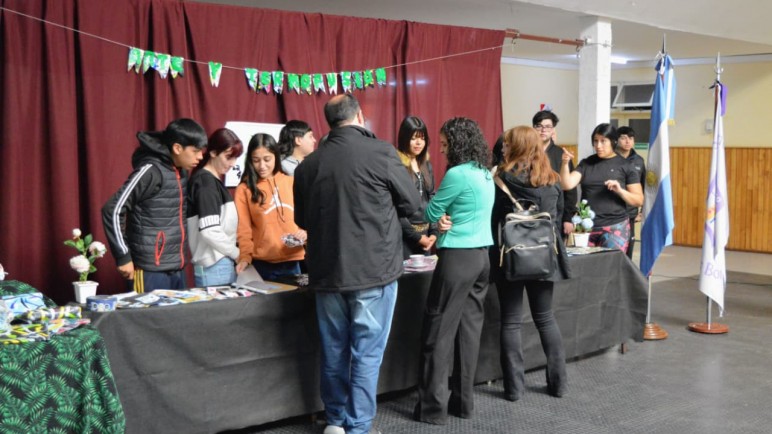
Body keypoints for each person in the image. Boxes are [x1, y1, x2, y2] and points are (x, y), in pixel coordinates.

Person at [293, 94, 420, 434]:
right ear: (360, 116)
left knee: (334, 351)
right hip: (373, 272)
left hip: (327, 274)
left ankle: (335, 421)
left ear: (328, 122)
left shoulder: (308, 166)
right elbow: (414, 205)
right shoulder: (381, 153)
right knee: (366, 354)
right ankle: (358, 427)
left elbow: (303, 221)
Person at [414, 117, 494, 425]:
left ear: (457, 143)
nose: (442, 148)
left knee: (438, 333)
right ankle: (463, 403)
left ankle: (432, 410)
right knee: (469, 333)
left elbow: (430, 212)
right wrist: (446, 216)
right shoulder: (484, 173)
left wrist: (440, 217)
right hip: (481, 259)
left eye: (446, 143)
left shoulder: (457, 174)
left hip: (457, 259)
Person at [491, 126, 571, 401]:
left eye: (507, 143)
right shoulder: (552, 179)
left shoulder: (501, 178)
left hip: (511, 258)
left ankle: (514, 389)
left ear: (516, 147)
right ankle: (558, 384)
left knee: (511, 322)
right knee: (546, 319)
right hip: (545, 257)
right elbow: (557, 220)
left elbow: (494, 221)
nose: (502, 147)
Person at [102, 118, 207, 292]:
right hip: (149, 271)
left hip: (176, 267)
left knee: (178, 319)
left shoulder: (180, 171)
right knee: (146, 319)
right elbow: (112, 209)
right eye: (195, 151)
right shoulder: (151, 171)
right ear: (177, 148)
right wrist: (123, 256)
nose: (200, 156)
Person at [560, 123, 644, 251]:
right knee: (586, 268)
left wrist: (620, 191)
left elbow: (639, 200)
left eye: (603, 141)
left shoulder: (625, 165)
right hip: (586, 227)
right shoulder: (586, 163)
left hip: (615, 226)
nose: (598, 146)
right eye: (595, 141)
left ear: (613, 142)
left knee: (611, 268)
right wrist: (565, 163)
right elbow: (566, 184)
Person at [234, 133, 305, 280]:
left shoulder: (291, 181)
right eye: (256, 160)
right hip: (262, 264)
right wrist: (245, 257)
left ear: (276, 157)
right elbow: (243, 228)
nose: (262, 166)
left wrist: (305, 231)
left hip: (293, 260)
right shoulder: (244, 189)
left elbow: (308, 215)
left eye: (267, 159)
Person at [187, 128, 244, 286]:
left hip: (216, 264)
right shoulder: (206, 183)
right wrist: (236, 253)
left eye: (235, 158)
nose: (232, 164)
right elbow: (209, 230)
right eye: (228, 157)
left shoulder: (208, 181)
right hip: (215, 265)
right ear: (213, 153)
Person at [396, 116, 438, 259]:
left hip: (426, 235)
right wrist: (416, 237)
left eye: (422, 138)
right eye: (414, 138)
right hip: (404, 237)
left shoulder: (426, 165)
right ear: (404, 138)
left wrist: (434, 232)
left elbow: (432, 197)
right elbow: (396, 208)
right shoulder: (396, 166)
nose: (419, 142)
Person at [533, 110, 578, 239]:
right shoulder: (527, 153)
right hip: (531, 214)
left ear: (553, 130)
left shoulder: (561, 154)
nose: (543, 130)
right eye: (539, 126)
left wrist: (568, 218)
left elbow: (570, 188)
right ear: (533, 128)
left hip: (556, 214)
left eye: (547, 127)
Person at [616, 126, 646, 259]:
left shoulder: (639, 160)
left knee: (629, 246)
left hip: (631, 212)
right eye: (623, 138)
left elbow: (644, 186)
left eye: (631, 138)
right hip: (613, 211)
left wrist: (642, 211)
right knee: (615, 247)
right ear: (616, 140)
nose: (627, 141)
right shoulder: (610, 158)